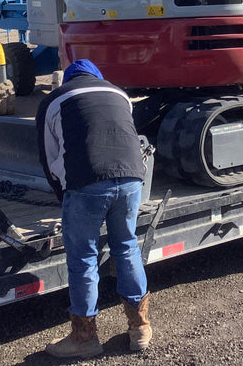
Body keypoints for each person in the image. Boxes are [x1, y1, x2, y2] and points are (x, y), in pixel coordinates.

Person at [36, 59, 152, 359]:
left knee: (84, 258)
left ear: (69, 80)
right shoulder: (119, 93)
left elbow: (49, 159)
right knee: (126, 247)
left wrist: (63, 194)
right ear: (97, 76)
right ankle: (140, 328)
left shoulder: (54, 101)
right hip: (131, 180)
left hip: (86, 184)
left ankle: (84, 338)